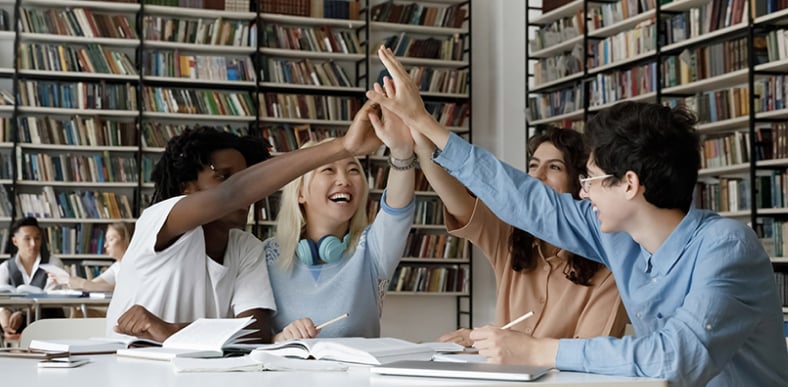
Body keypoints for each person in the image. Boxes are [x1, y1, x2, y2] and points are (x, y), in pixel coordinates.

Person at [366, 46, 788, 386]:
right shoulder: (619, 237)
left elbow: (675, 359)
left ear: (628, 184)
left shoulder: (726, 247)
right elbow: (526, 199)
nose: (582, 194)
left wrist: (536, 350)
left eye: (589, 181)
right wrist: (426, 125)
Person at [105, 101, 386, 344]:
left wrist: (171, 331)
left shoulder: (246, 248)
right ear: (187, 187)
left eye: (250, 180)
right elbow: (232, 194)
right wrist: (343, 146)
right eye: (224, 175)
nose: (250, 192)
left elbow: (255, 333)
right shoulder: (158, 220)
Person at [427, 128, 627, 347]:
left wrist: (492, 341)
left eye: (554, 167)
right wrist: (417, 138)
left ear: (581, 185)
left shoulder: (611, 265)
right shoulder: (509, 235)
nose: (538, 176)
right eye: (533, 165)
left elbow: (588, 358)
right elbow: (454, 197)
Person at [264, 104, 415, 342]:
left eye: (353, 169)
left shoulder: (373, 250)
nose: (344, 180)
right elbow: (247, 337)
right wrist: (278, 339)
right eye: (328, 170)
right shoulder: (265, 256)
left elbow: (398, 208)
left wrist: (402, 150)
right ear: (300, 193)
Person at [0, 217, 65, 340]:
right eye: (27, 239)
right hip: (13, 320)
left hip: (46, 319)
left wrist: (23, 314)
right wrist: (5, 325)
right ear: (15, 241)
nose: (34, 244)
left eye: (37, 238)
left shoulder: (54, 263)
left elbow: (50, 298)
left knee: (49, 309)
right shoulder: (4, 268)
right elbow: (2, 303)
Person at [54, 222, 134, 292]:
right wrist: (64, 281)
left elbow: (120, 290)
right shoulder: (117, 266)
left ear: (126, 240)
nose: (105, 245)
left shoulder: (135, 266)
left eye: (111, 239)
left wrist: (83, 284)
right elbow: (93, 284)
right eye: (106, 240)